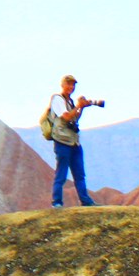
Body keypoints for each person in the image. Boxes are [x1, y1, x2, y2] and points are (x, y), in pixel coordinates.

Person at [48, 75, 104, 208]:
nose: (71, 87)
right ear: (62, 85)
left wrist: (81, 107)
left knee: (79, 173)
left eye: (73, 85)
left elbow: (74, 119)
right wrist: (78, 105)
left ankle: (85, 201)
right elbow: (66, 117)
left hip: (74, 142)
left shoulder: (70, 102)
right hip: (62, 142)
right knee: (61, 173)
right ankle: (57, 202)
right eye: (68, 84)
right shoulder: (57, 99)